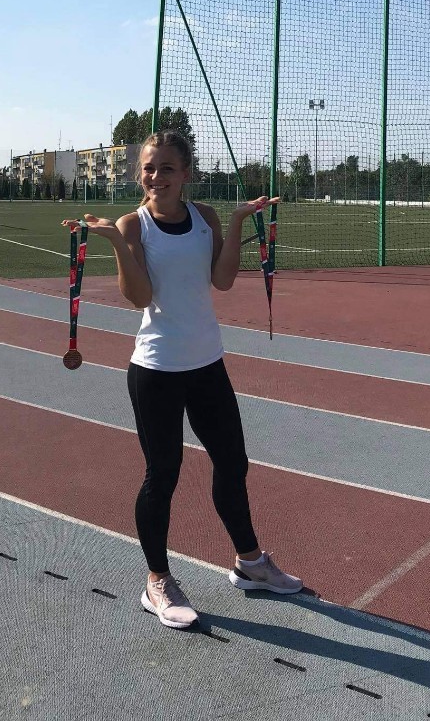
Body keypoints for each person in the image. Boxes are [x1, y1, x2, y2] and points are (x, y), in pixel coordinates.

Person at [68, 130, 302, 629]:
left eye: (167, 168)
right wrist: (117, 242)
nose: (157, 177)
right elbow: (139, 296)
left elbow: (222, 280)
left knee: (232, 463)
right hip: (156, 369)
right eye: (149, 168)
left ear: (186, 174)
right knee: (163, 475)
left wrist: (237, 222)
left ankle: (250, 563)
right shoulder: (134, 224)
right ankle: (157, 580)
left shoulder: (206, 217)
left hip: (207, 364)